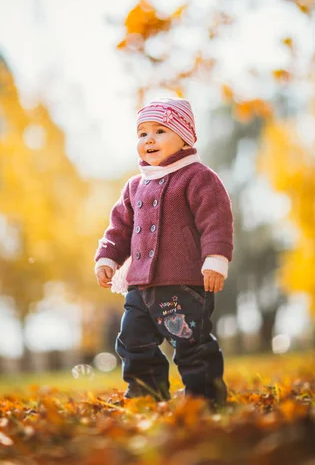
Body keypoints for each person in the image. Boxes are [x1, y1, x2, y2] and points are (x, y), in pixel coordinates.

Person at [94, 98, 234, 406]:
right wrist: (108, 258)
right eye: (142, 134)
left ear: (184, 136)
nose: (149, 140)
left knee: (191, 344)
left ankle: (206, 399)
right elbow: (119, 229)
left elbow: (216, 219)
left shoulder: (197, 177)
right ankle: (146, 395)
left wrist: (215, 259)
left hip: (183, 283)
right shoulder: (134, 187)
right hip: (140, 286)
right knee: (133, 341)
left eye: (160, 131)